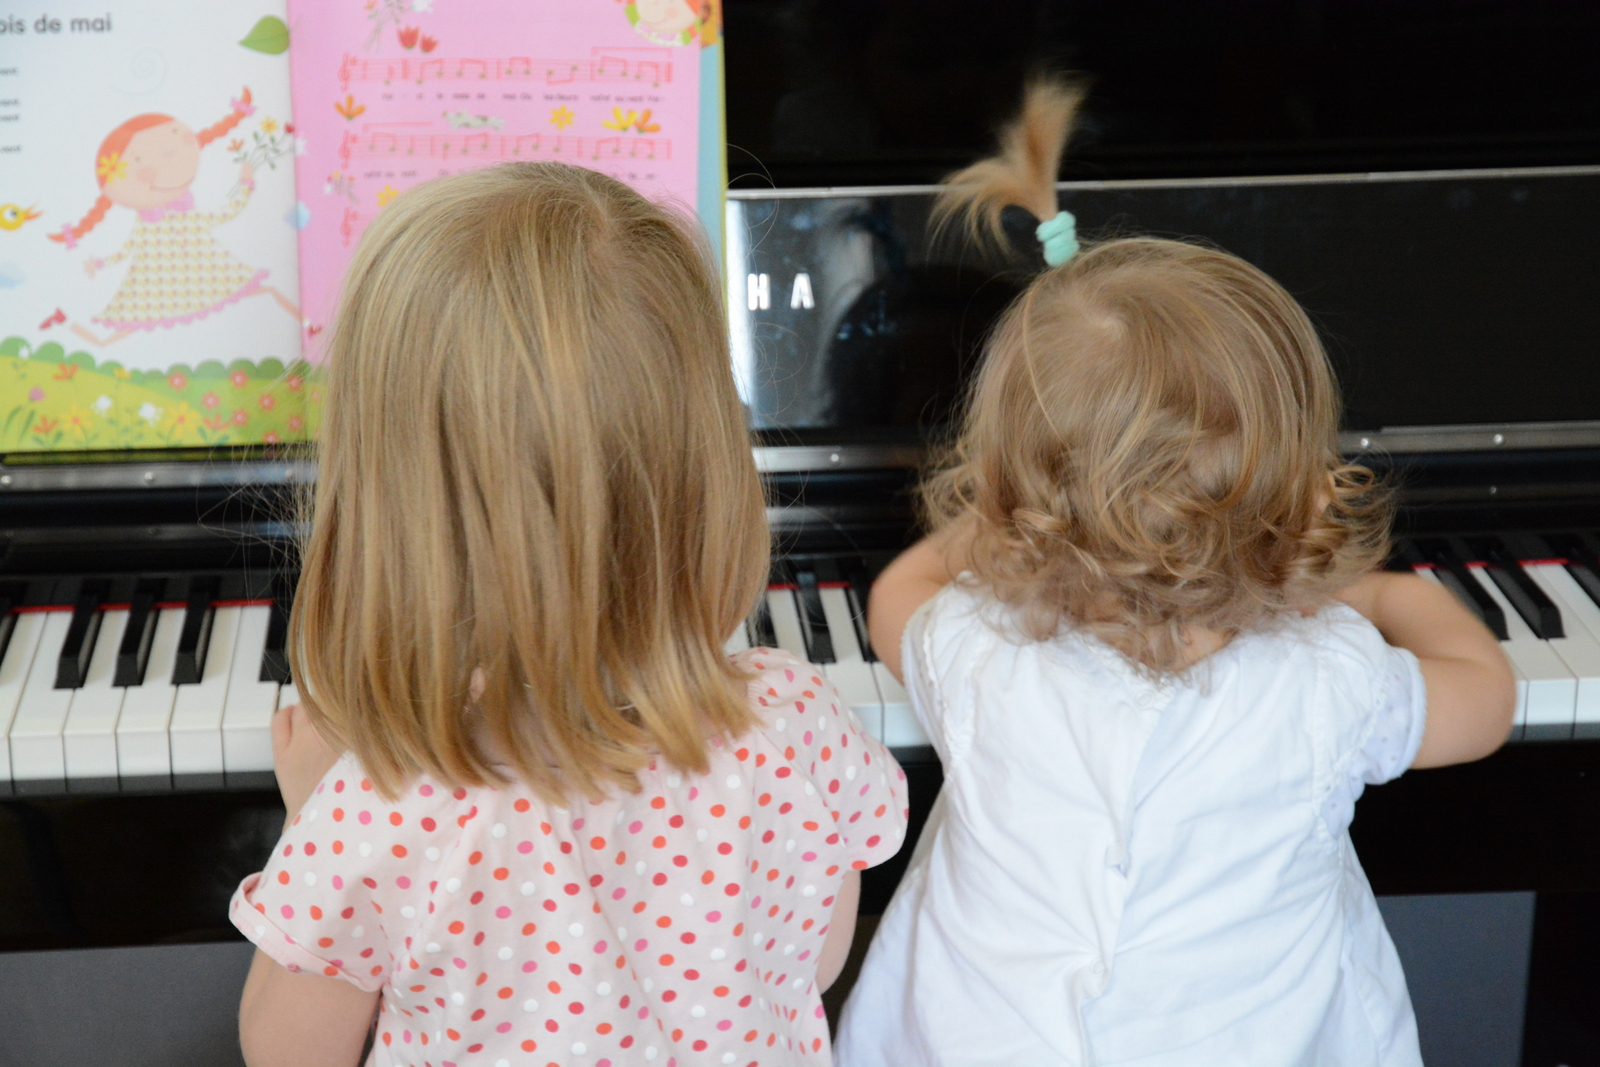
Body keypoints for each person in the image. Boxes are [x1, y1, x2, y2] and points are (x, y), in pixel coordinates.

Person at [834, 79, 1516, 1067]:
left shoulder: (974, 648)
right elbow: (1484, 702)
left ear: (1010, 490)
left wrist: (1001, 515)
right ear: (1293, 485)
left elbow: (896, 592)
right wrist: (1385, 592)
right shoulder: (1332, 674)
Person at [231, 163, 907, 1067]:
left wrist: (308, 821)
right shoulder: (797, 718)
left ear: (393, 511)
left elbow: (287, 1052)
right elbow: (814, 964)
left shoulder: (381, 802)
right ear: (705, 459)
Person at [49, 88, 300, 346]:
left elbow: (222, 216)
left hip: (207, 275)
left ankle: (307, 327)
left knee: (268, 292)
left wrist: (246, 184)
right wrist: (100, 264)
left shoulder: (185, 211)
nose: (162, 165)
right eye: (139, 162)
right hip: (160, 290)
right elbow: (128, 249)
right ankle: (65, 324)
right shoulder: (148, 221)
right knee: (111, 339)